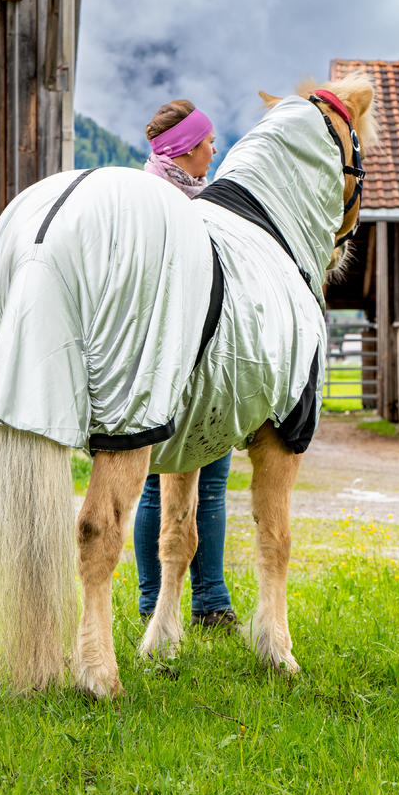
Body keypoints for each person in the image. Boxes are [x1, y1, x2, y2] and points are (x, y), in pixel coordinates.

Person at [133, 98, 238, 631]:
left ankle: (210, 601)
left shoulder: (194, 198)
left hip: (205, 359)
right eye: (208, 142)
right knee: (157, 481)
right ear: (187, 149)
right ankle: (156, 601)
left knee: (212, 479)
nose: (215, 150)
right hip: (165, 363)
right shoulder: (160, 203)